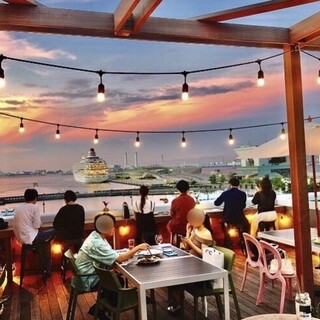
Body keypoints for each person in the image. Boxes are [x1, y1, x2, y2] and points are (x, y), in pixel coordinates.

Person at [75, 213, 149, 318]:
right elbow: (119, 259)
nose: (113, 228)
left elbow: (112, 257)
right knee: (117, 281)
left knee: (117, 279)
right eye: (111, 226)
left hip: (87, 274)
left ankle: (100, 307)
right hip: (87, 279)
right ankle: (103, 307)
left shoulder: (95, 235)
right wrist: (137, 248)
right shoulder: (97, 243)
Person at [168, 208, 215, 313]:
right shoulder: (195, 229)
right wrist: (188, 232)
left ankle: (177, 305)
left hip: (200, 269)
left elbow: (204, 253)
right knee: (171, 274)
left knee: (173, 279)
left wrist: (190, 242)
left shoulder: (206, 233)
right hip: (191, 263)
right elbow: (186, 247)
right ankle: (177, 303)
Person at [13, 188, 55, 281]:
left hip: (21, 239)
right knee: (55, 230)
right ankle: (47, 271)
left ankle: (41, 246)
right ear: (36, 198)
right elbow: (37, 225)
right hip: (32, 239)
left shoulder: (19, 207)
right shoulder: (34, 207)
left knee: (45, 245)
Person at [214, 177, 249, 250]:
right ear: (238, 185)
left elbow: (216, 203)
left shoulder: (226, 193)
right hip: (240, 218)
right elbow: (243, 206)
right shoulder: (243, 194)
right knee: (246, 225)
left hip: (228, 218)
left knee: (223, 225)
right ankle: (244, 242)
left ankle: (228, 244)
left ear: (230, 184)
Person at [167, 180, 196, 245]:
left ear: (178, 189)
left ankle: (174, 244)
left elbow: (172, 214)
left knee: (169, 225)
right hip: (189, 226)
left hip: (178, 227)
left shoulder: (175, 200)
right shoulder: (191, 199)